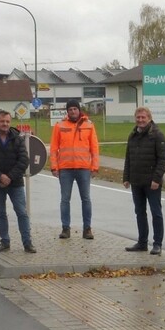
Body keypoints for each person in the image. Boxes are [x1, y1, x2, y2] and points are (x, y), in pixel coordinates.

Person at [0, 110, 35, 253]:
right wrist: (0, 177)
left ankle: (27, 243)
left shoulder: (18, 139)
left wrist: (9, 177)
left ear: (10, 123)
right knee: (0, 213)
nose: (5, 124)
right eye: (2, 121)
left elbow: (24, 160)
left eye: (7, 122)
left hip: (15, 183)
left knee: (22, 212)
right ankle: (4, 242)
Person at [50, 99, 99, 240]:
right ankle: (65, 228)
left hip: (84, 168)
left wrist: (95, 166)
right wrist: (54, 167)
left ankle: (87, 229)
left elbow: (94, 148)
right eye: (70, 109)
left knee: (86, 199)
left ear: (79, 110)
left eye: (75, 109)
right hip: (65, 168)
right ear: (67, 111)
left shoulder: (89, 125)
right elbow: (54, 148)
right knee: (65, 199)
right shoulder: (59, 126)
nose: (72, 111)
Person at [122, 107, 165, 255]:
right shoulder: (133, 135)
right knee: (140, 212)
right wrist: (126, 177)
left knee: (156, 212)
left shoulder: (157, 135)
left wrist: (156, 178)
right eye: (138, 117)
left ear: (149, 118)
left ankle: (157, 244)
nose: (140, 120)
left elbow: (163, 159)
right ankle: (142, 242)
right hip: (136, 181)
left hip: (152, 183)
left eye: (143, 117)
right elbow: (128, 157)